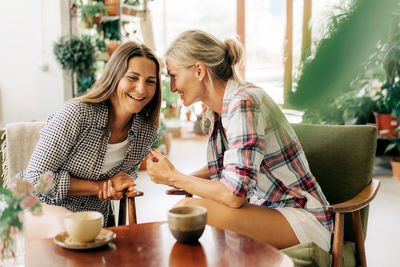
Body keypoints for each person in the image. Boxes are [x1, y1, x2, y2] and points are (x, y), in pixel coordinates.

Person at [146, 30, 333, 251]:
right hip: (267, 208)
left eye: (174, 76)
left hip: (302, 218)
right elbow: (236, 165)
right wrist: (176, 177)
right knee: (193, 218)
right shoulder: (218, 112)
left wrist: (175, 177)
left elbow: (234, 195)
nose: (173, 88)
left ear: (199, 70)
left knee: (187, 210)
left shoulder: (243, 103)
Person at [20, 41, 162, 239]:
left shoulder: (146, 131)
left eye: (150, 81)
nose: (141, 89)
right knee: (68, 226)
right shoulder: (77, 114)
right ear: (114, 77)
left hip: (91, 220)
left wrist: (117, 188)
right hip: (36, 206)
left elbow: (122, 181)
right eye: (132, 78)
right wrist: (100, 186)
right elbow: (35, 179)